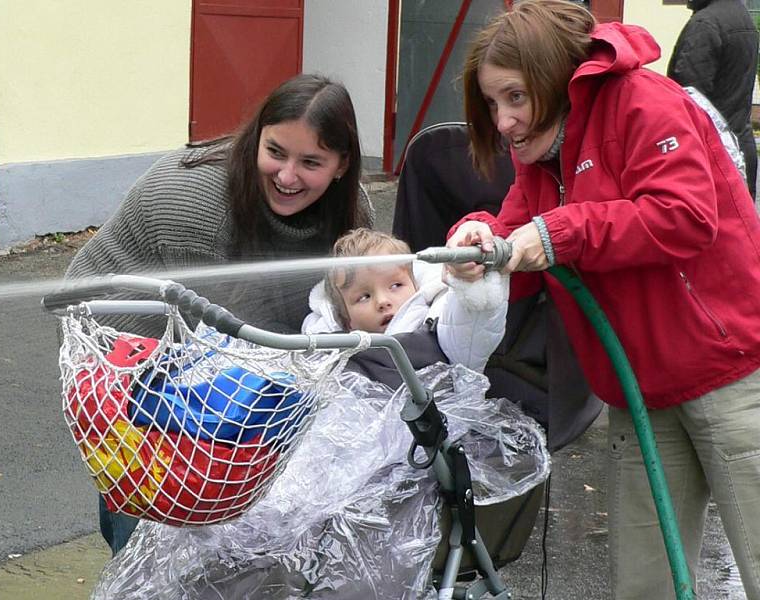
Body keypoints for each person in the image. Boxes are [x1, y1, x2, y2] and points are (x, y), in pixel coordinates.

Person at [446, 1, 760, 598]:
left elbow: (686, 217)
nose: (504, 120)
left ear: (553, 76)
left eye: (514, 97)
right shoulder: (541, 152)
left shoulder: (645, 101)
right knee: (645, 584)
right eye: (492, 104)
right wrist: (476, 242)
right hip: (640, 390)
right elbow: (518, 246)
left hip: (729, 372)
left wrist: (561, 234)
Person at [64, 73, 374, 556]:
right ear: (256, 139)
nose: (288, 176)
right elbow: (225, 348)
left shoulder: (352, 218)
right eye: (275, 152)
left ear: (341, 166)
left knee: (240, 544)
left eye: (310, 162)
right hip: (129, 365)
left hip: (226, 378)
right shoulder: (196, 203)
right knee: (154, 540)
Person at [302, 227, 508, 383]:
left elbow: (473, 327)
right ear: (347, 321)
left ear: (415, 285)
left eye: (395, 285)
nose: (382, 302)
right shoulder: (329, 351)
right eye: (364, 297)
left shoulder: (439, 326)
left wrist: (470, 284)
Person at [668, 0, 759, 201]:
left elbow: (687, 96)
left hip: (712, 152)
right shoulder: (741, 16)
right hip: (739, 142)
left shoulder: (706, 24)